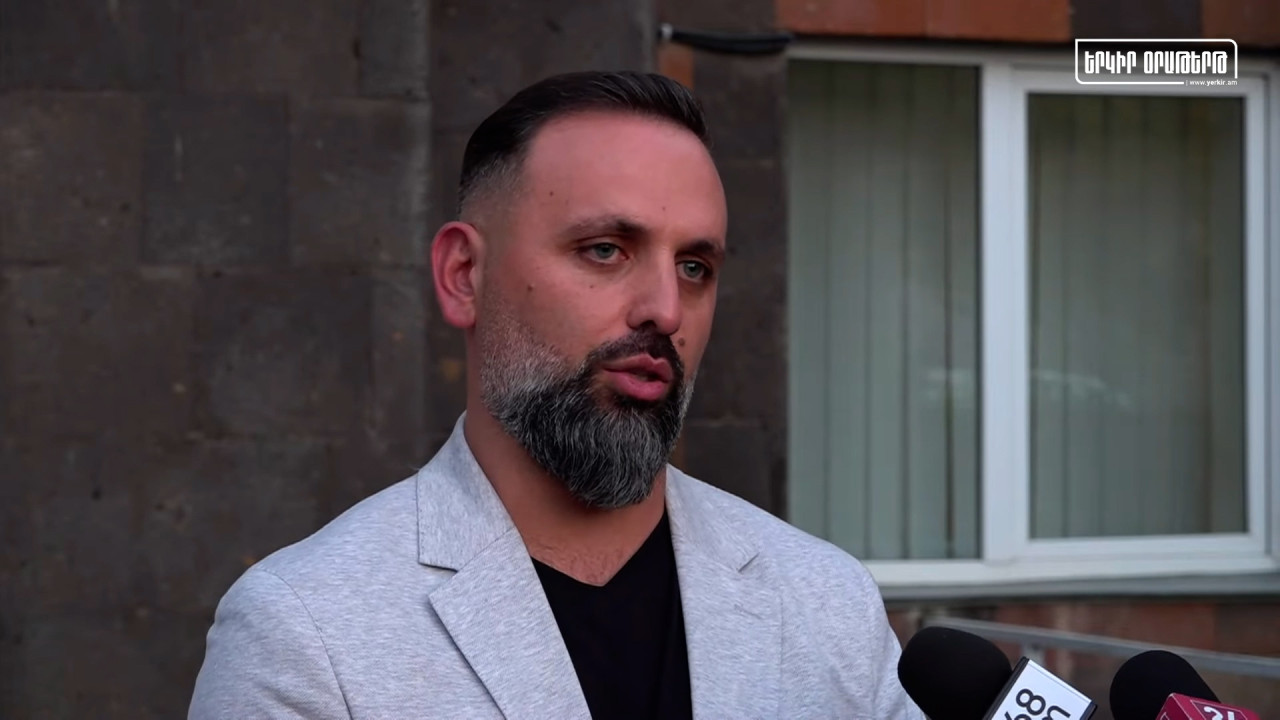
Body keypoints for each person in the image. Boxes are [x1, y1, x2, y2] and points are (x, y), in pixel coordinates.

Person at [189, 70, 924, 720]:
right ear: (463, 276)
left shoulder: (826, 603)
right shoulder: (308, 630)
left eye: (695, 267)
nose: (666, 309)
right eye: (605, 250)